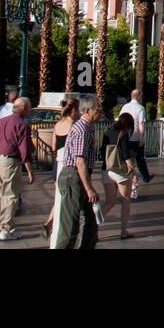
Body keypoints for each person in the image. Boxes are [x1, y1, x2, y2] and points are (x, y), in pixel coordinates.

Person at [54, 97, 101, 249]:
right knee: (70, 225)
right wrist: (89, 189)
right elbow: (79, 160)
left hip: (79, 176)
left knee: (91, 220)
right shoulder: (82, 129)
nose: (100, 113)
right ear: (86, 111)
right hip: (72, 176)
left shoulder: (87, 128)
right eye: (97, 110)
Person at [0, 95, 34, 240]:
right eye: (29, 108)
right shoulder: (22, 125)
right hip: (9, 160)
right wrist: (30, 170)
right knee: (10, 194)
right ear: (24, 109)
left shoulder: (1, 122)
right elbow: (24, 150)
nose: (29, 111)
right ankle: (7, 229)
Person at [45, 98, 77, 245]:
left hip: (56, 164)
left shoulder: (57, 125)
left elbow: (53, 146)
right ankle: (57, 227)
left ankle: (50, 223)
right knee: (66, 197)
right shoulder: (73, 125)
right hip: (68, 163)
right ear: (74, 110)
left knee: (58, 194)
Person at [100, 113, 137, 239]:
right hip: (120, 172)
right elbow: (126, 155)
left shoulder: (107, 133)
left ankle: (93, 228)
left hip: (106, 170)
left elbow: (102, 152)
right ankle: (123, 231)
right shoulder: (123, 134)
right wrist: (132, 169)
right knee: (125, 200)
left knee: (109, 202)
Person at [122, 89, 153, 197]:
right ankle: (144, 177)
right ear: (139, 96)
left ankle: (128, 177)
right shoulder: (141, 108)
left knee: (127, 158)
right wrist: (141, 137)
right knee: (139, 158)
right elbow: (141, 124)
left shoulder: (125, 107)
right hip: (135, 137)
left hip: (126, 137)